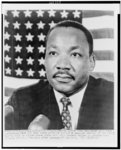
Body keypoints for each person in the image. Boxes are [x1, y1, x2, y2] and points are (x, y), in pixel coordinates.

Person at [5, 20, 114, 130]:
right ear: (45, 60)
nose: (62, 65)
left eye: (75, 54)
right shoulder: (22, 99)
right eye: (53, 53)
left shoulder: (113, 96)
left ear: (91, 62)